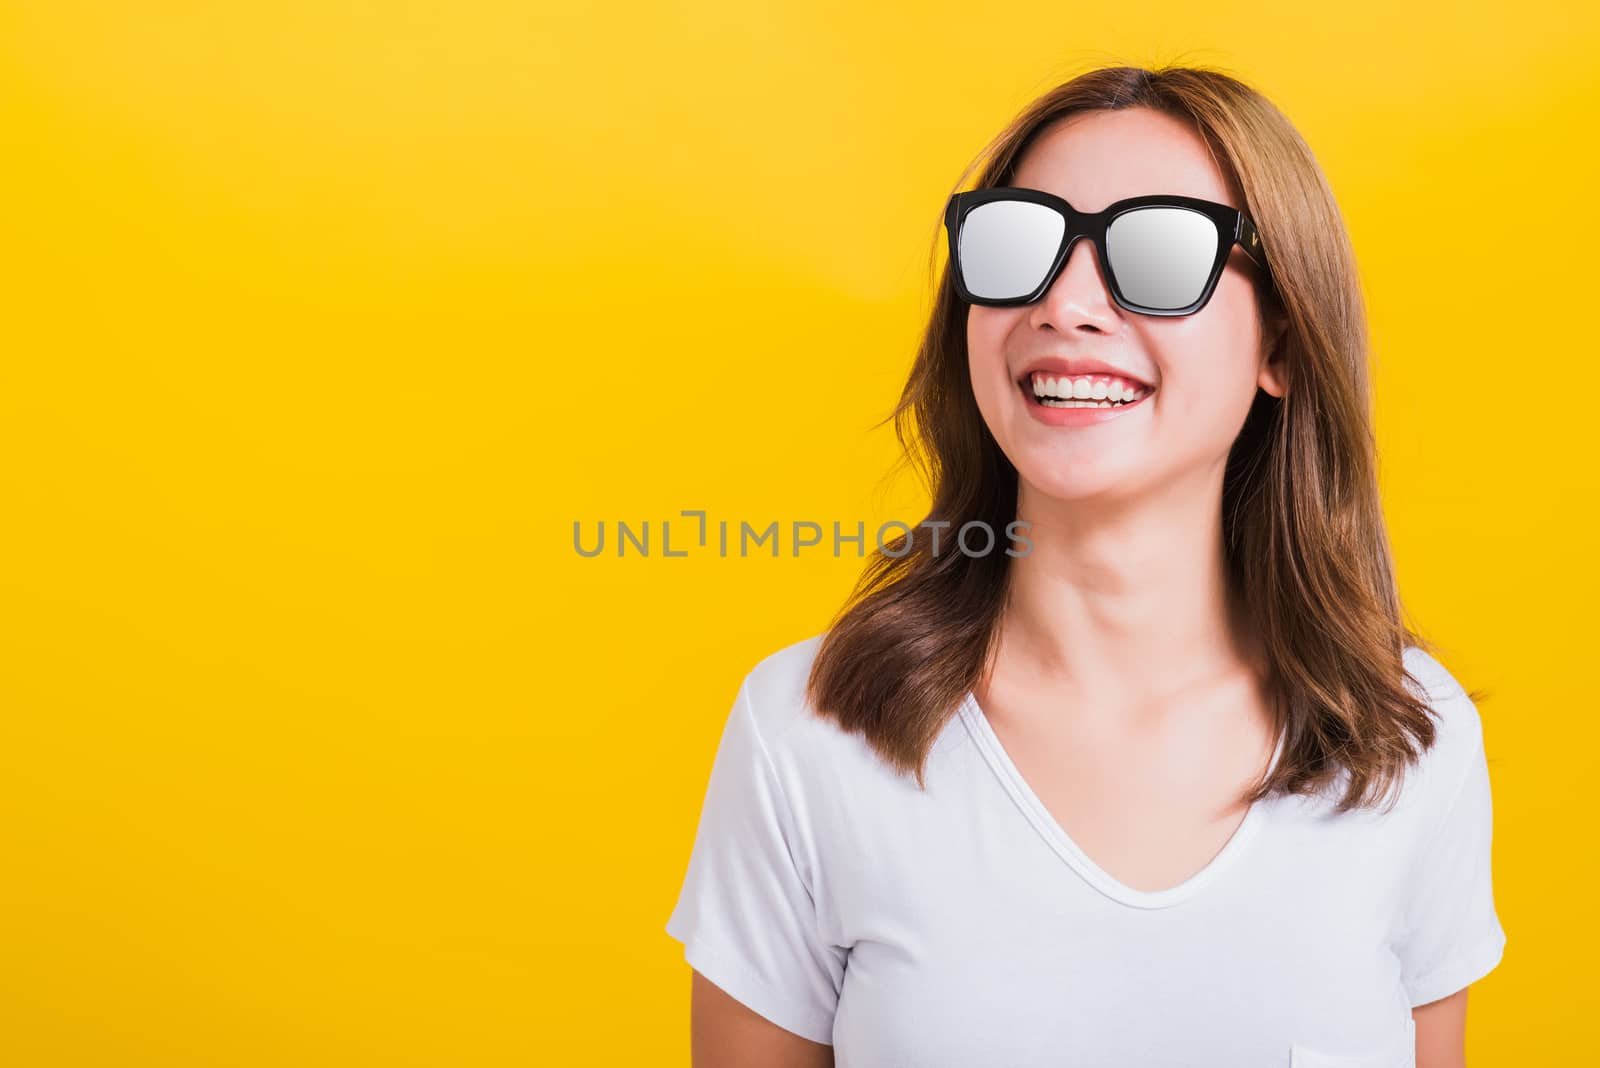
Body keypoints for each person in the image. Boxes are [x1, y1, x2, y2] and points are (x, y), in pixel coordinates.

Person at [665, 63, 1506, 1068]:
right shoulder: (807, 732)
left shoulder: (1409, 738)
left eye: (1156, 248)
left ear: (1279, 340)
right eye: (1019, 239)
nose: (1065, 304)